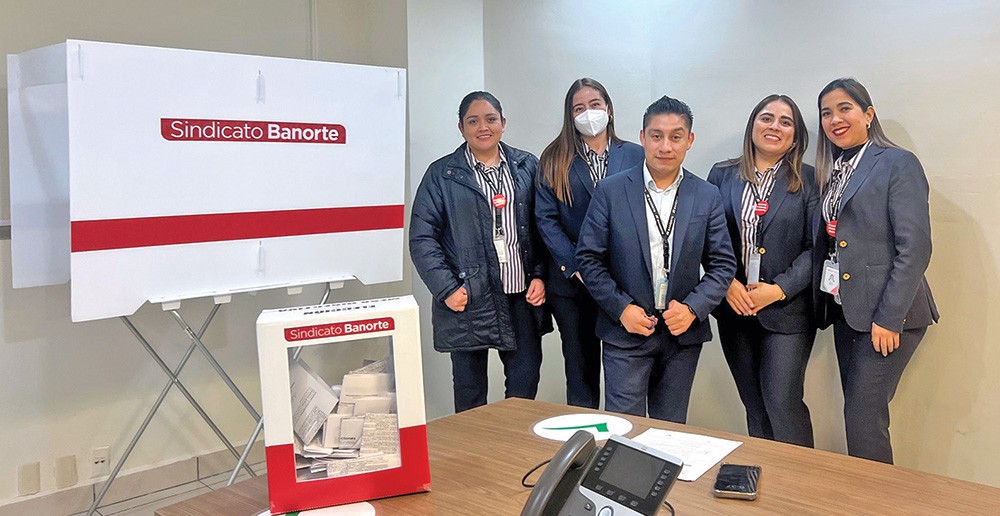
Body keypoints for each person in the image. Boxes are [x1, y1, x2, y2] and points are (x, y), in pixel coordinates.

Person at [576, 95, 736, 423]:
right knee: (624, 428)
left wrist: (692, 308)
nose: (665, 146)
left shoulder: (707, 195)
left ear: (689, 140)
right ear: (642, 137)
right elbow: (589, 259)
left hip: (682, 334)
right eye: (656, 136)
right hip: (626, 330)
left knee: (670, 429)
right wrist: (622, 308)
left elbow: (723, 265)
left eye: (676, 137)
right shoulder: (610, 190)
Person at [813, 78, 939, 463]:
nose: (835, 119)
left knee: (864, 417)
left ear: (868, 114)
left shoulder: (897, 162)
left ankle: (876, 495)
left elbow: (915, 247)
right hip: (848, 312)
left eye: (845, 109)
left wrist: (889, 317)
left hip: (888, 314)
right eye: (826, 113)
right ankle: (867, 491)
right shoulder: (835, 169)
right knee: (859, 414)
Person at [410, 91, 548, 413]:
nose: (483, 127)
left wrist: (541, 275)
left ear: (503, 123)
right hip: (469, 300)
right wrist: (446, 288)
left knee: (524, 386)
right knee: (470, 394)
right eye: (473, 121)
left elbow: (543, 226)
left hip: (520, 297)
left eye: (490, 119)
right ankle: (473, 447)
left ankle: (512, 444)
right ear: (461, 128)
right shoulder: (442, 174)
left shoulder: (527, 166)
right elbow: (422, 237)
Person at [707, 95, 818, 447]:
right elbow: (707, 237)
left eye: (785, 122)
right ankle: (767, 474)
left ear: (795, 136)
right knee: (754, 405)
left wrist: (779, 289)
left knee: (783, 404)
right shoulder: (722, 174)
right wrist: (727, 283)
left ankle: (798, 477)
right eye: (766, 118)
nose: (774, 126)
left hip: (787, 310)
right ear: (753, 125)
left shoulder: (810, 179)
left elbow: (817, 248)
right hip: (734, 309)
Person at [535, 78, 645, 409]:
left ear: (608, 109)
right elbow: (546, 220)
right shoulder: (554, 158)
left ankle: (622, 435)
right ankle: (583, 438)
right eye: (579, 108)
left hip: (624, 285)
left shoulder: (636, 155)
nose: (588, 113)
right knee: (580, 372)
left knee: (626, 373)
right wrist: (578, 266)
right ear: (570, 116)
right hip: (573, 286)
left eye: (595, 104)